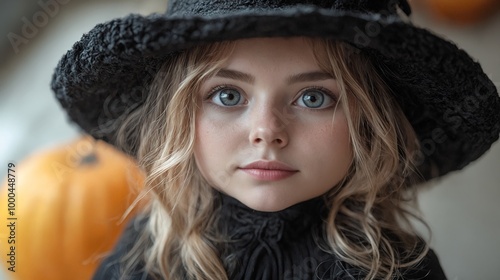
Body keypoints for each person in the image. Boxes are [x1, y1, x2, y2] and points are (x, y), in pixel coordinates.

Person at [51, 0, 500, 279]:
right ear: (179, 115)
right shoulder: (150, 252)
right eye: (227, 95)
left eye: (313, 97)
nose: (267, 130)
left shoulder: (397, 271)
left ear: (369, 120)